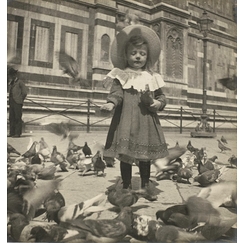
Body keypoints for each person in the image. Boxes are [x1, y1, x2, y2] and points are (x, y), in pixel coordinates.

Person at [101, 25, 168, 195]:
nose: (138, 56)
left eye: (142, 54)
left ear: (147, 56)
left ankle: (145, 184)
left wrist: (157, 104)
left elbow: (161, 97)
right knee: (126, 154)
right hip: (125, 120)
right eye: (133, 53)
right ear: (126, 55)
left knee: (144, 155)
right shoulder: (121, 75)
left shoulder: (153, 77)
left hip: (146, 121)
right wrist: (111, 103)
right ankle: (126, 185)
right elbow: (117, 94)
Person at [7, 68, 28, 137]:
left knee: (17, 117)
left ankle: (17, 133)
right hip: (12, 102)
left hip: (17, 102)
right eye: (10, 76)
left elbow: (24, 92)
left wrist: (20, 99)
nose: (11, 77)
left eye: (12, 75)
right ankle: (12, 132)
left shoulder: (20, 82)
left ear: (15, 75)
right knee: (11, 117)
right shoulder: (11, 83)